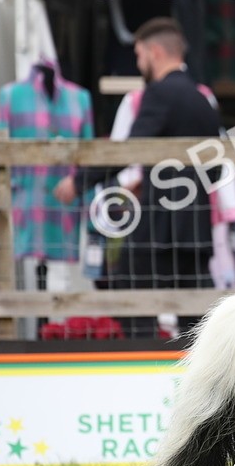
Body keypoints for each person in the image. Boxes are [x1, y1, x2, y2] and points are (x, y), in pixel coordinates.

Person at [55, 17, 221, 338]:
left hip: (158, 227)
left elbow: (127, 150)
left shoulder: (158, 94)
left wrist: (79, 182)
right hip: (196, 230)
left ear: (155, 52)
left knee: (132, 302)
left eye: (139, 55)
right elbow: (214, 170)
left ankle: (145, 373)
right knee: (198, 322)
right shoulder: (203, 101)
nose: (138, 62)